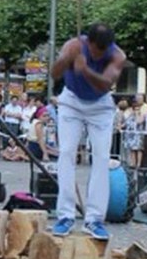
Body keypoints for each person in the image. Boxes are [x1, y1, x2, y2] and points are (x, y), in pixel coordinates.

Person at [50, 23, 126, 240]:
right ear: (88, 42)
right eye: (94, 50)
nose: (97, 54)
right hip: (71, 101)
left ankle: (94, 219)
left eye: (102, 51)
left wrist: (85, 69)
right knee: (66, 153)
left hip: (100, 105)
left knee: (101, 158)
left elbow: (105, 85)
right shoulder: (73, 45)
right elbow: (54, 74)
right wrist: (66, 60)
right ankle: (65, 215)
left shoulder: (118, 55)